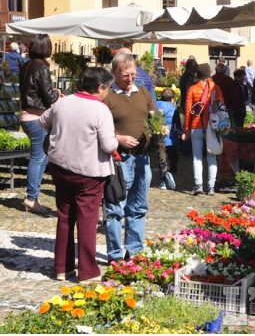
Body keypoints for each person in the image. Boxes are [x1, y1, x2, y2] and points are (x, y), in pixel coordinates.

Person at [39, 67, 118, 284]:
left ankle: (62, 268)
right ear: (100, 87)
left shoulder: (63, 102)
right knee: (87, 220)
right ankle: (88, 271)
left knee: (65, 217)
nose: (108, 92)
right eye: (108, 88)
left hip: (61, 166)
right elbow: (109, 144)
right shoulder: (100, 110)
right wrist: (119, 139)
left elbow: (43, 121)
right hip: (89, 172)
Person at [104, 51, 157, 263]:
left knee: (138, 207)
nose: (130, 78)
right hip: (120, 159)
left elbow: (154, 115)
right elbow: (98, 129)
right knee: (116, 208)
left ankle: (134, 251)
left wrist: (159, 127)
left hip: (143, 158)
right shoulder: (107, 95)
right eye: (126, 75)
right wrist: (118, 138)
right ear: (114, 72)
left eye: (133, 74)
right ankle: (115, 255)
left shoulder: (143, 92)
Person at [19, 34, 62, 213]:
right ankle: (31, 198)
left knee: (42, 157)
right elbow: (47, 96)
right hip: (36, 117)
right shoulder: (42, 68)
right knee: (38, 157)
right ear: (46, 48)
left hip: (26, 115)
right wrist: (57, 93)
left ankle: (33, 196)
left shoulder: (26, 65)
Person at [183, 63, 225, 196]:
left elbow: (188, 111)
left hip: (196, 126)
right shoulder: (216, 88)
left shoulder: (192, 89)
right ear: (209, 74)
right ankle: (211, 187)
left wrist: (186, 129)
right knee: (212, 156)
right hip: (212, 127)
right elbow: (222, 107)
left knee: (197, 157)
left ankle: (198, 185)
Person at [155, 88, 181, 190]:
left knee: (162, 159)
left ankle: (163, 181)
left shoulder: (156, 106)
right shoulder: (174, 109)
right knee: (173, 159)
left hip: (160, 139)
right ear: (172, 99)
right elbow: (176, 125)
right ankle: (172, 175)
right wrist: (180, 134)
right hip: (172, 139)